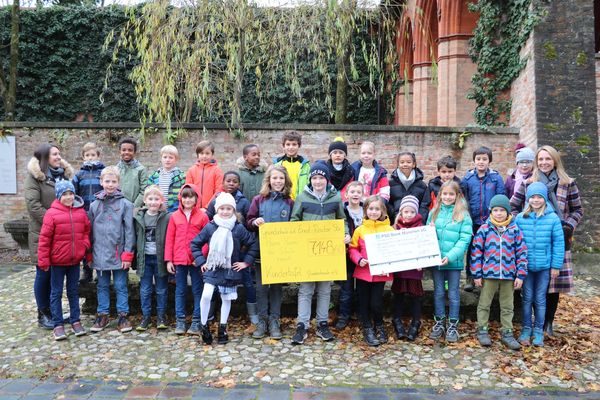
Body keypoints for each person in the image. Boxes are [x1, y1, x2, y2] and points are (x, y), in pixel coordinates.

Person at [510, 145, 582, 337]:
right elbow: (513, 207)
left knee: (553, 284)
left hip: (558, 237)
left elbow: (577, 210)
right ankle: (531, 322)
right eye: (540, 159)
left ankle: (547, 323)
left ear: (555, 160)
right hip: (532, 238)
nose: (544, 162)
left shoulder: (568, 183)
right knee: (531, 284)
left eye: (547, 159)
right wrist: (521, 224)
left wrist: (568, 226)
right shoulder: (528, 183)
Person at [290, 162, 350, 345]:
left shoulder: (335, 198)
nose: (318, 181)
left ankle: (322, 323)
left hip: (328, 251)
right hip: (308, 250)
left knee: (325, 289)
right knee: (306, 289)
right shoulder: (302, 197)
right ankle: (302, 324)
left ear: (326, 179)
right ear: (310, 180)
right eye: (314, 178)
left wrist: (346, 233)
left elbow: (342, 219)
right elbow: (294, 220)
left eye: (321, 178)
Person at [192, 193, 259, 345]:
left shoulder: (238, 228)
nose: (225, 211)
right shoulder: (210, 227)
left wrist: (246, 262)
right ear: (217, 210)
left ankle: (223, 328)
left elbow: (253, 244)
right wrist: (202, 261)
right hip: (213, 267)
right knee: (206, 295)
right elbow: (195, 244)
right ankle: (204, 326)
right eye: (222, 208)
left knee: (226, 298)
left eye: (229, 208)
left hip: (230, 270)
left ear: (233, 210)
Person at [24, 143, 75, 330]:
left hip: (61, 237)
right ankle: (43, 313)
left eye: (59, 154)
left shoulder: (63, 175)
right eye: (54, 154)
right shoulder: (34, 178)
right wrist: (55, 221)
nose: (58, 157)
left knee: (56, 275)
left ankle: (56, 311)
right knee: (43, 274)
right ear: (45, 157)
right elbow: (33, 206)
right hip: (42, 233)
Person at [471, 195, 527, 350]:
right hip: (489, 274)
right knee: (484, 303)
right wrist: (477, 273)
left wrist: (520, 274)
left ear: (508, 212)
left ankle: (507, 332)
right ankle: (482, 330)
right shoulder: (484, 229)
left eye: (502, 210)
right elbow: (476, 252)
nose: (499, 213)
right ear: (491, 212)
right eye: (495, 210)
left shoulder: (514, 230)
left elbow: (521, 253)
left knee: (508, 305)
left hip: (509, 275)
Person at [37, 180, 91, 340]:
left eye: (71, 194)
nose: (68, 197)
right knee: (56, 293)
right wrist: (44, 261)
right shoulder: (51, 214)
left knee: (73, 292)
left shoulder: (81, 212)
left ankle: (75, 321)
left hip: (74, 261)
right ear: (59, 196)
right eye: (64, 194)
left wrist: (85, 245)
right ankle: (58, 324)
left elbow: (86, 231)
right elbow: (44, 239)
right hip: (57, 262)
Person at [246, 165, 294, 340]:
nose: (278, 181)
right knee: (261, 288)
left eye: (281, 178)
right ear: (268, 180)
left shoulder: (290, 202)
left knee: (276, 288)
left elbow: (295, 225)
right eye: (274, 178)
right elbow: (248, 220)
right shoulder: (259, 200)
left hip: (280, 253)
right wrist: (254, 222)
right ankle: (262, 320)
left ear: (286, 181)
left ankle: (275, 320)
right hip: (261, 251)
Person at [515, 183, 565, 347]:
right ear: (528, 199)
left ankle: (538, 331)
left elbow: (558, 243)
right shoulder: (521, 218)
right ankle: (526, 328)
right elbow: (515, 242)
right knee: (527, 298)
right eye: (532, 197)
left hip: (544, 267)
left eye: (539, 197)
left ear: (545, 199)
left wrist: (556, 265)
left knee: (540, 299)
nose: (536, 200)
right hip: (526, 267)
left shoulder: (553, 218)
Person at [88, 166, 135, 333]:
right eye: (107, 181)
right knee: (102, 286)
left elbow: (129, 231)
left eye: (113, 181)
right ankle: (103, 314)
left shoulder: (125, 205)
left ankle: (123, 315)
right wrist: (90, 255)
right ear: (101, 182)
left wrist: (127, 254)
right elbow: (90, 231)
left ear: (118, 183)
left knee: (121, 285)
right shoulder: (94, 205)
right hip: (99, 255)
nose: (110, 184)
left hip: (118, 254)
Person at [206, 171, 254, 324]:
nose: (231, 183)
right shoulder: (215, 200)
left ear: (239, 184)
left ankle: (252, 316)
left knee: (247, 282)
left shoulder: (244, 202)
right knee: (213, 284)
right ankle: (210, 314)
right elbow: (208, 221)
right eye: (228, 181)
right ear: (223, 182)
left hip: (238, 253)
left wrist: (245, 256)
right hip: (218, 254)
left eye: (234, 181)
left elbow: (247, 227)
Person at [427, 181, 472, 342]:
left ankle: (453, 325)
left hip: (453, 262)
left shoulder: (463, 215)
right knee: (439, 292)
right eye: (444, 194)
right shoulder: (434, 212)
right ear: (440, 195)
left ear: (457, 196)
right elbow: (426, 236)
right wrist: (430, 230)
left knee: (453, 294)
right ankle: (439, 322)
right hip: (437, 261)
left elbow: (464, 239)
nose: (447, 197)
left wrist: (451, 256)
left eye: (451, 194)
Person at [348, 195, 394, 346]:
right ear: (366, 210)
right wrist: (359, 259)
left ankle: (379, 325)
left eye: (377, 209)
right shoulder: (360, 230)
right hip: (363, 272)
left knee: (376, 302)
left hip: (379, 273)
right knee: (363, 301)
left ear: (383, 211)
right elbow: (353, 249)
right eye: (371, 209)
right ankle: (367, 327)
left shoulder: (389, 229)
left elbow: (394, 250)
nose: (374, 212)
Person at [164, 184, 209, 336]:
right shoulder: (174, 216)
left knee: (198, 290)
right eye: (185, 196)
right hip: (179, 260)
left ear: (196, 198)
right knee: (180, 290)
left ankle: (197, 321)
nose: (188, 199)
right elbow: (170, 239)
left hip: (196, 261)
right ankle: (180, 320)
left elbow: (208, 239)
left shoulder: (203, 216)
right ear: (180, 198)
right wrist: (169, 260)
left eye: (191, 196)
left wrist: (200, 257)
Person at [461, 146, 505, 292]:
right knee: (473, 249)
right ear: (474, 161)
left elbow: (500, 198)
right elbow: (463, 199)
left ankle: (488, 277)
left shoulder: (496, 178)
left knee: (490, 249)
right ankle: (470, 277)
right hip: (472, 221)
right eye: (478, 159)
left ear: (489, 161)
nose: (481, 162)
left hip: (490, 221)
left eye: (484, 159)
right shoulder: (467, 179)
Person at [134, 186, 171, 331]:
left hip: (160, 259)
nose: (153, 202)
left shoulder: (167, 217)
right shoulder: (139, 217)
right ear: (145, 200)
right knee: (145, 289)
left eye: (157, 199)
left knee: (161, 289)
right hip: (145, 259)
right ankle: (146, 316)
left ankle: (161, 316)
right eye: (150, 199)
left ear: (161, 201)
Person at [392, 196, 425, 342]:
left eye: (412, 212)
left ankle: (415, 322)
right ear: (401, 212)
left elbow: (425, 247)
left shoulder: (421, 228)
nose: (409, 214)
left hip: (414, 269)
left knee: (415, 296)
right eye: (406, 211)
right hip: (399, 268)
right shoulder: (395, 227)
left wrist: (422, 261)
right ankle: (397, 320)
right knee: (398, 294)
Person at [72, 142, 105, 283]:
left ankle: (100, 271)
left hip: (100, 214)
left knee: (99, 242)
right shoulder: (79, 175)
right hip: (84, 214)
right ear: (83, 157)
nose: (90, 158)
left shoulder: (102, 173)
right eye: (87, 155)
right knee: (86, 243)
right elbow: (74, 195)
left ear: (98, 156)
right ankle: (87, 271)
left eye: (93, 155)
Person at [335, 181, 364, 330]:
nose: (355, 194)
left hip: (362, 257)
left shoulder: (367, 211)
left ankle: (361, 315)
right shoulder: (342, 211)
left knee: (361, 288)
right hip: (346, 255)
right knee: (346, 289)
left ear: (362, 194)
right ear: (346, 195)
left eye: (358, 192)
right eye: (352, 192)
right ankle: (343, 316)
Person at [389, 151, 430, 222]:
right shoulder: (390, 184)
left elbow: (424, 205)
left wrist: (419, 220)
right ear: (398, 165)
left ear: (414, 164)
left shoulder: (422, 185)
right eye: (402, 162)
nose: (405, 164)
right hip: (396, 223)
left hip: (415, 224)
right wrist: (395, 217)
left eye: (408, 162)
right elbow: (388, 204)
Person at [185, 140, 224, 210]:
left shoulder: (217, 171)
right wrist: (193, 206)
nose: (204, 156)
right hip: (194, 208)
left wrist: (207, 207)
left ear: (212, 154)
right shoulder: (191, 170)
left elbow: (219, 191)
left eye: (207, 153)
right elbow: (188, 190)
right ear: (197, 155)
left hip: (211, 209)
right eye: (201, 153)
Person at [147, 145, 186, 213]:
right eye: (165, 157)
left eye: (171, 158)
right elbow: (148, 192)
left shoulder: (181, 176)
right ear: (161, 158)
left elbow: (184, 194)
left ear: (176, 159)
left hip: (174, 209)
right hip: (158, 209)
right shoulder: (154, 176)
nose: (167, 160)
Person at [273, 131, 311, 200]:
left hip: (300, 202)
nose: (291, 147)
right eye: (288, 144)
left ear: (299, 145)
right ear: (283, 146)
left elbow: (310, 185)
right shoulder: (277, 165)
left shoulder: (305, 165)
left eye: (294, 144)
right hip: (282, 202)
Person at [116, 137, 148, 208]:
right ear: (120, 151)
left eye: (130, 150)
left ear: (134, 152)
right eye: (123, 150)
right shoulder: (116, 169)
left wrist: (134, 206)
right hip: (118, 208)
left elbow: (144, 191)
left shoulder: (141, 169)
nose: (126, 152)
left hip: (134, 209)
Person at [323, 137, 354, 201]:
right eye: (335, 153)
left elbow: (350, 187)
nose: (338, 155)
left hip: (345, 200)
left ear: (345, 155)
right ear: (330, 155)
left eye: (341, 153)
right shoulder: (325, 169)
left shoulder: (350, 171)